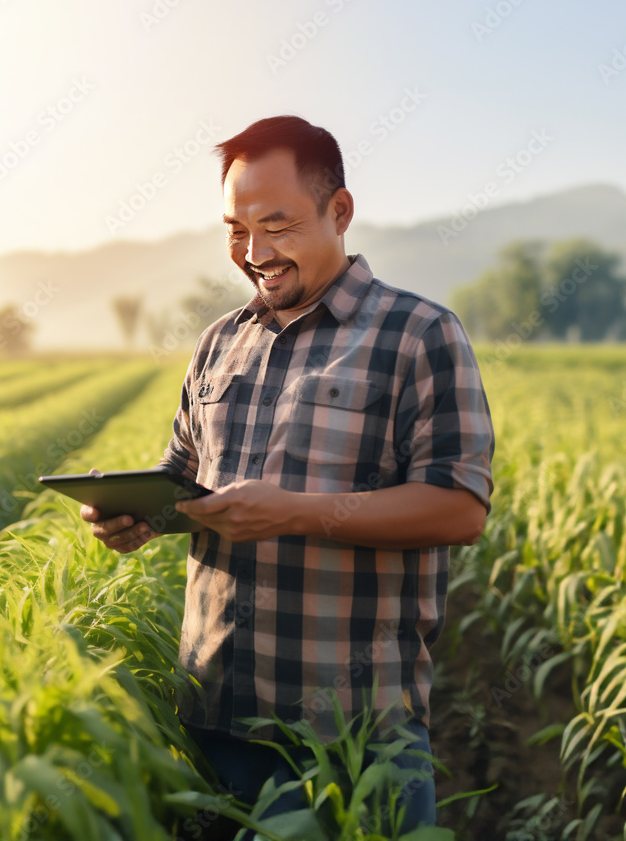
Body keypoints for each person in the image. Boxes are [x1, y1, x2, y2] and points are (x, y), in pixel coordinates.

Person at [81, 115, 495, 834]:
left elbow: (458, 509)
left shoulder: (418, 333)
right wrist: (136, 513)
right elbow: (184, 478)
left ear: (339, 212)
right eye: (236, 230)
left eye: (277, 226)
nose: (253, 251)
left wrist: (297, 512)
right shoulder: (219, 342)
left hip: (351, 734)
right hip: (215, 718)